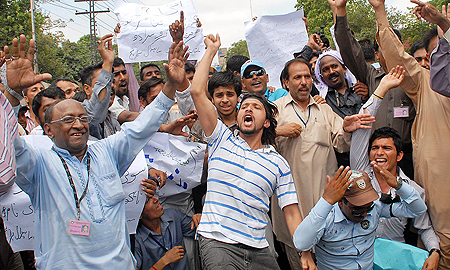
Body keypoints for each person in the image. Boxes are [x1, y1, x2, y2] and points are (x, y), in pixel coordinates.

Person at [8, 33, 189, 268]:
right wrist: (11, 97)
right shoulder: (39, 164)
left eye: (83, 118)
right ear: (49, 130)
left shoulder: (106, 151)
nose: (78, 124)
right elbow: (11, 145)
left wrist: (172, 85)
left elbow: (143, 126)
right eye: (68, 119)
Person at [190, 33, 315, 270]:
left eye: (255, 107)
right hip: (217, 242)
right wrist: (211, 50)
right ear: (238, 118)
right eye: (244, 106)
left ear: (267, 122)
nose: (248, 109)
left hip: (259, 249)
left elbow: (291, 212)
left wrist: (305, 252)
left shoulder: (278, 163)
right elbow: (197, 91)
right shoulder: (220, 139)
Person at [271, 57, 376, 269]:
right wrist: (277, 131)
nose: (303, 82)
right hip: (292, 202)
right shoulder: (274, 110)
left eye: (307, 77)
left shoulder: (324, 108)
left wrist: (347, 128)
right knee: (300, 260)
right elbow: (254, 142)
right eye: (297, 77)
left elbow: (341, 143)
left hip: (325, 199)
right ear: (285, 82)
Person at [371, 0, 450, 267]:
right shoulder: (427, 86)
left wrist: (445, 25)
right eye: (438, 54)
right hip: (443, 223)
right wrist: (380, 11)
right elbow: (398, 60)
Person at [350, 65, 441, 270]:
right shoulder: (361, 173)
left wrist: (435, 252)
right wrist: (381, 89)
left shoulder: (412, 189)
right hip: (358, 257)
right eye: (374, 148)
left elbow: (424, 227)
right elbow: (361, 127)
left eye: (386, 148)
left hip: (394, 260)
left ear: (399, 155)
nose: (379, 152)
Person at [330, 0, 416, 179]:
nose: (392, 53)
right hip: (374, 159)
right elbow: (349, 50)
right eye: (386, 48)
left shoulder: (416, 79)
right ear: (377, 54)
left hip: (407, 159)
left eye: (396, 47)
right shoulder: (370, 76)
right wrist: (340, 11)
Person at [134, 196, 201, 270]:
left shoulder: (173, 216)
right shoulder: (137, 240)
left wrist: (200, 219)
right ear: (139, 214)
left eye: (152, 195)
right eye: (147, 200)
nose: (156, 199)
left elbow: (200, 229)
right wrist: (164, 261)